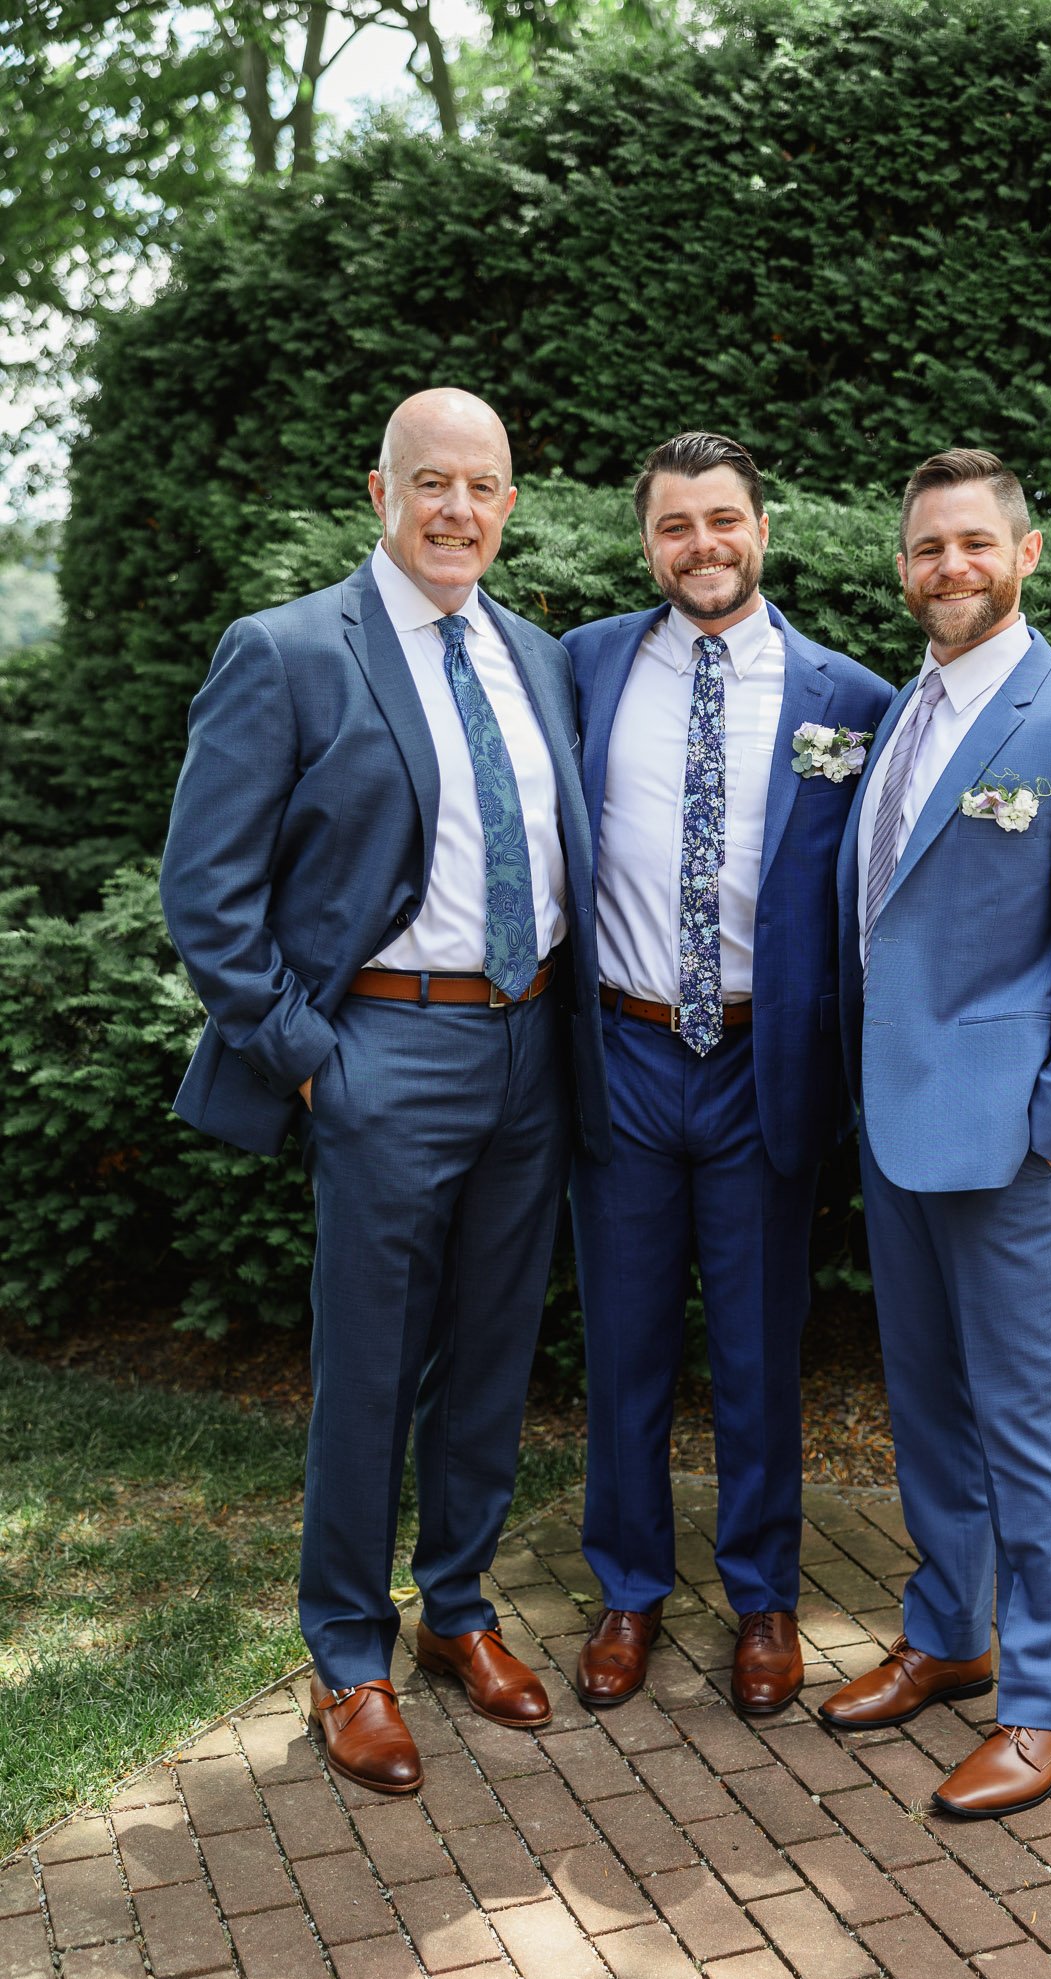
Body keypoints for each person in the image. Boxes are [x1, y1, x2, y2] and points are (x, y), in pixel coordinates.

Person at [161, 388, 609, 1794]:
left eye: (482, 487)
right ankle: (349, 1652)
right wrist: (307, 1057)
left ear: (511, 504)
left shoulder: (535, 657)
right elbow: (207, 890)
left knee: (488, 1357)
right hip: (380, 1052)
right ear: (380, 492)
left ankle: (458, 1612)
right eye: (431, 484)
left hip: (530, 1044)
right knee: (369, 1368)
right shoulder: (288, 651)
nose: (457, 510)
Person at [819, 448, 1051, 1817]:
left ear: (1026, 555)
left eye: (974, 543)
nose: (948, 566)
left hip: (1009, 1146)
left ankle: (1048, 1703)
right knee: (926, 1408)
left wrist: (1049, 1130)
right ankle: (949, 1634)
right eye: (926, 548)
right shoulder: (898, 716)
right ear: (903, 567)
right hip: (888, 1131)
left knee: (1026, 1418)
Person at [565, 432, 893, 1717]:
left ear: (765, 525)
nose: (700, 545)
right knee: (626, 1343)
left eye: (722, 520)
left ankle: (763, 1598)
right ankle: (630, 1590)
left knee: (760, 1351)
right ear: (646, 542)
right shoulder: (585, 667)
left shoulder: (849, 697)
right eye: (674, 526)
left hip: (766, 1058)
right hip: (628, 1051)